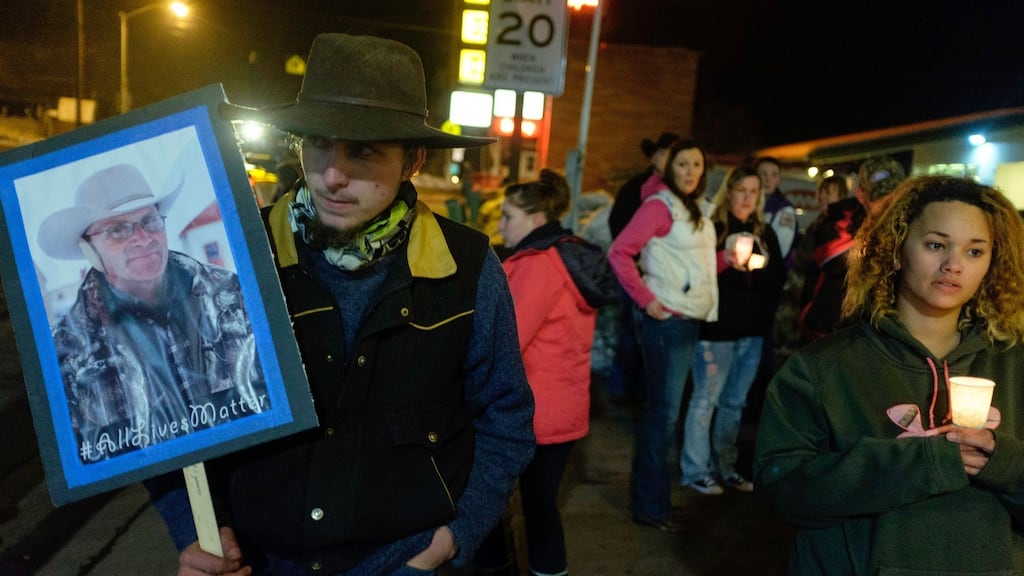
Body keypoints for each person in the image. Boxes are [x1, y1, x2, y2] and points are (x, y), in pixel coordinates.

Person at [147, 33, 536, 576]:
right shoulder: (232, 261)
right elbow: (167, 419)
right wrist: (197, 534)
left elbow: (507, 417)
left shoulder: (466, 267)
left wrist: (452, 539)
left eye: (364, 151)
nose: (332, 174)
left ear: (413, 160)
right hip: (259, 562)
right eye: (319, 143)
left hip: (407, 561)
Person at [754, 175, 1024, 574]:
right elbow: (781, 489)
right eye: (936, 245)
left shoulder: (1013, 364)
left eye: (975, 251)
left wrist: (1002, 462)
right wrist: (921, 463)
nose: (953, 265)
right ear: (896, 251)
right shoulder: (822, 368)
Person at [39, 163, 266, 463]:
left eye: (149, 221)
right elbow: (83, 455)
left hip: (257, 462)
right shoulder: (68, 347)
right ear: (89, 249)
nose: (143, 239)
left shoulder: (233, 293)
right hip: (159, 490)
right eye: (118, 229)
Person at [475, 169, 617, 576]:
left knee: (492, 503)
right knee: (540, 508)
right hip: (562, 408)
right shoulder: (568, 258)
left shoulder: (537, 265)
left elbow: (506, 341)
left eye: (508, 216)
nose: (500, 225)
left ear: (536, 220)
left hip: (527, 411)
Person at [608, 138, 718, 532]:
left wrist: (729, 260)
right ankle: (651, 507)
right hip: (666, 324)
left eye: (697, 164)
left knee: (665, 415)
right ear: (670, 168)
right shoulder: (659, 205)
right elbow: (620, 252)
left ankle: (655, 502)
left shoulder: (695, 210)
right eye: (683, 164)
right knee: (661, 417)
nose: (690, 171)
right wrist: (646, 300)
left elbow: (692, 263)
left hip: (687, 320)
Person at [680, 166, 785, 495]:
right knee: (705, 399)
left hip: (751, 330)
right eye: (741, 190)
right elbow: (696, 273)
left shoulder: (764, 233)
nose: (747, 198)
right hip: (717, 328)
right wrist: (724, 261)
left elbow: (778, 279)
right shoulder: (713, 227)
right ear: (729, 192)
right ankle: (695, 469)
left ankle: (725, 466)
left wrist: (761, 266)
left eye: (753, 192)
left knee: (735, 402)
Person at [606, 131, 678, 405]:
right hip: (636, 274)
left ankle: (640, 392)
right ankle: (621, 389)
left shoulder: (679, 194)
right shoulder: (637, 187)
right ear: (655, 156)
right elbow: (618, 224)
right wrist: (633, 259)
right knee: (630, 333)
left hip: (663, 278)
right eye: (665, 153)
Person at [800, 156, 906, 340]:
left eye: (894, 195)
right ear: (861, 195)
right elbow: (831, 257)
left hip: (888, 327)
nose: (888, 204)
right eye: (880, 197)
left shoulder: (909, 220)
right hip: (837, 327)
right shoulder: (844, 217)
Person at [771, 175, 849, 368]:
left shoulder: (839, 230)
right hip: (799, 295)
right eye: (820, 192)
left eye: (829, 193)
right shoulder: (817, 225)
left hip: (818, 304)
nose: (822, 197)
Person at [755, 156, 798, 269]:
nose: (768, 179)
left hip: (768, 274)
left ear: (779, 179)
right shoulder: (750, 204)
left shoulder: (784, 209)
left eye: (774, 175)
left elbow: (780, 250)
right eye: (763, 174)